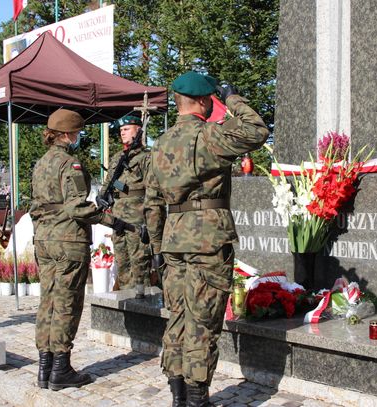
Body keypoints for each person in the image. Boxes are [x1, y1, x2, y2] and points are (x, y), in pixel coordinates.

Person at [144, 71, 269, 406]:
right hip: (208, 239)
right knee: (203, 321)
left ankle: (178, 395)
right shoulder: (210, 136)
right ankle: (197, 398)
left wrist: (157, 248)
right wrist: (231, 98)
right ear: (203, 101)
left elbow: (152, 203)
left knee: (179, 317)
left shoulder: (161, 144)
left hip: (173, 240)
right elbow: (257, 129)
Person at [30, 109, 130, 391]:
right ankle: (60, 368)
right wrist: (110, 218)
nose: (78, 137)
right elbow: (76, 208)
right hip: (67, 242)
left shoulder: (41, 164)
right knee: (66, 304)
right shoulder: (69, 164)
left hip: (45, 240)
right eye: (76, 132)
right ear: (66, 134)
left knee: (47, 301)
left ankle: (44, 367)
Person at [104, 114, 152, 293]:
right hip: (118, 218)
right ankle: (125, 295)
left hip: (137, 218)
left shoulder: (146, 157)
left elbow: (153, 189)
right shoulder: (118, 157)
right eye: (121, 130)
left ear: (138, 130)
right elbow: (108, 182)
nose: (122, 133)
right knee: (122, 261)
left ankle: (142, 300)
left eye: (126, 129)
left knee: (139, 261)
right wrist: (103, 196)